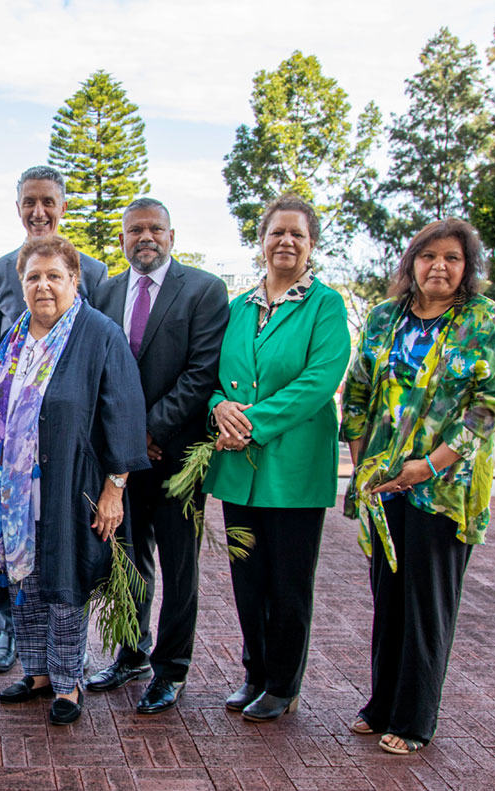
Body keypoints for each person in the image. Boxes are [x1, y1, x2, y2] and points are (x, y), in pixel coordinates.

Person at [341, 219, 495, 755]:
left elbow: (492, 406)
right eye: (428, 256)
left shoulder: (486, 321)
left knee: (428, 602)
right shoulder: (384, 318)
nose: (438, 266)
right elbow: (358, 395)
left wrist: (431, 465)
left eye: (452, 258)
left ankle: (415, 719)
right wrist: (364, 468)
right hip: (384, 486)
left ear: (467, 268)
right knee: (387, 597)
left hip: (444, 489)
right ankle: (381, 704)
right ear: (411, 262)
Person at [0, 234, 148, 725]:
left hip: (71, 484)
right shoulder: (13, 336)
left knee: (65, 583)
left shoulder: (98, 334)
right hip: (12, 492)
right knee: (23, 580)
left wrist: (115, 488)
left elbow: (125, 412)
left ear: (75, 280)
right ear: (20, 284)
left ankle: (68, 681)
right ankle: (37, 672)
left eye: (55, 276)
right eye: (34, 277)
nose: (44, 286)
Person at [202, 194, 350, 723]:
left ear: (311, 246)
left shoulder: (326, 306)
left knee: (288, 583)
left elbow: (319, 382)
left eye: (298, 235)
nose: (286, 242)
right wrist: (221, 409)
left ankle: (283, 683)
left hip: (293, 469)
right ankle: (254, 672)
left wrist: (252, 423)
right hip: (239, 470)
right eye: (276, 233)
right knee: (248, 580)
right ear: (261, 241)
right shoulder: (239, 307)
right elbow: (216, 377)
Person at [86, 199, 229, 713]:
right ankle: (132, 652)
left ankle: (172, 669)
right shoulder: (104, 291)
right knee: (129, 559)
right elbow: (99, 369)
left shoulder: (205, 289)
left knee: (179, 565)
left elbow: (201, 371)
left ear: (172, 235)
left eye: (154, 229)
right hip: (123, 461)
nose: (144, 237)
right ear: (123, 239)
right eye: (134, 230)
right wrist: (123, 441)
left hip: (175, 456)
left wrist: (148, 431)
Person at [0, 164, 109, 672]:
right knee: (14, 540)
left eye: (48, 201)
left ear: (63, 206)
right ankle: (11, 634)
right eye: (29, 202)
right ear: (17, 208)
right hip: (11, 449)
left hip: (69, 446)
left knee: (65, 550)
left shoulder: (93, 273)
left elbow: (101, 358)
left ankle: (65, 658)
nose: (38, 212)